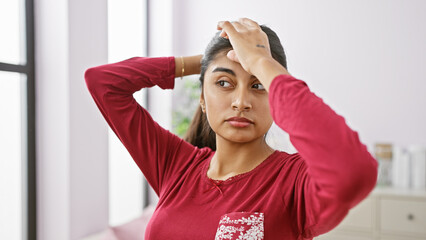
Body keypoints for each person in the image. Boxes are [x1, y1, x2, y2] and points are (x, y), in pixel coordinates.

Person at [84, 18, 378, 240]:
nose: (241, 102)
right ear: (202, 98)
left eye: (258, 85)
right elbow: (104, 82)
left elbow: (353, 172)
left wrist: (261, 61)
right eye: (223, 83)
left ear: (276, 96)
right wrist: (207, 61)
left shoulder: (293, 183)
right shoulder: (175, 165)